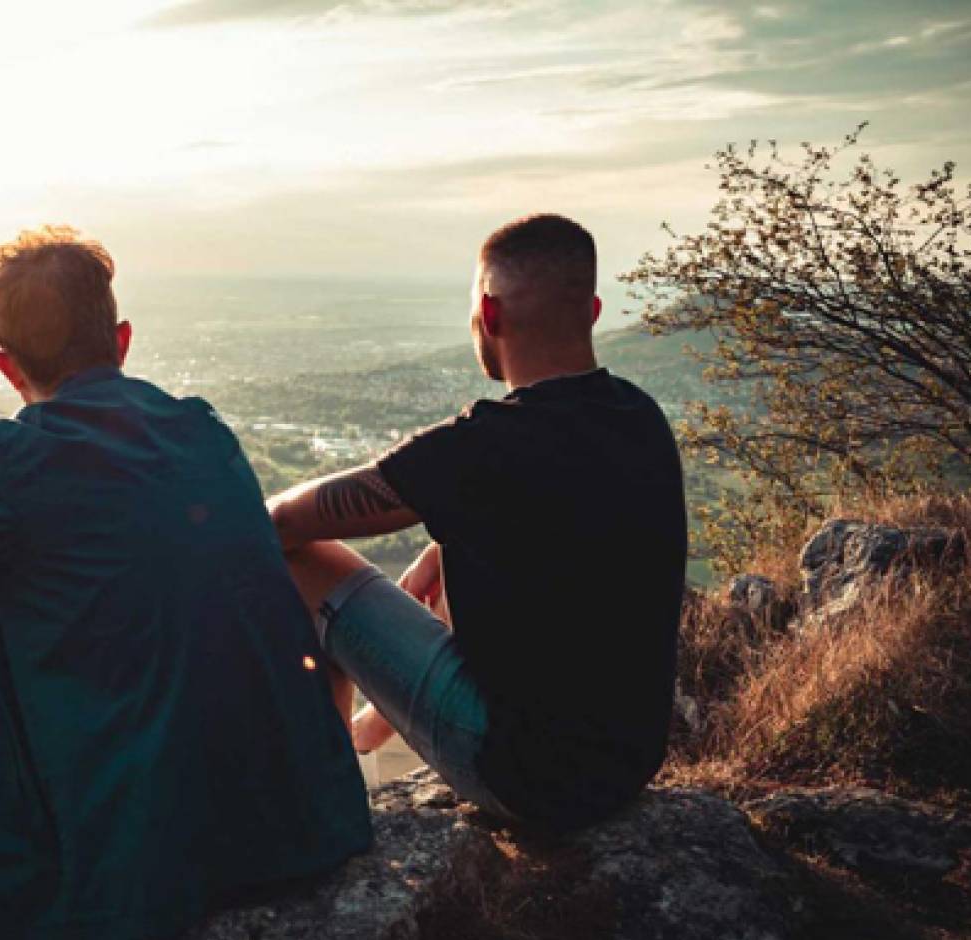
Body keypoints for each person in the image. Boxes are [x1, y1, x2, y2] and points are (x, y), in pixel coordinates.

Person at [0, 225, 372, 939]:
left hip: (112, 849)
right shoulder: (204, 432)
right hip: (280, 826)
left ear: (4, 365)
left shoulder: (9, 461)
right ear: (122, 339)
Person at [267, 214, 687, 829]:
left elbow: (281, 520)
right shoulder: (640, 417)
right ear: (592, 310)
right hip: (624, 767)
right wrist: (446, 548)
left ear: (489, 316)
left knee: (305, 559)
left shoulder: (482, 446)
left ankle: (325, 795)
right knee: (448, 556)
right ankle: (361, 737)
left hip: (524, 777)